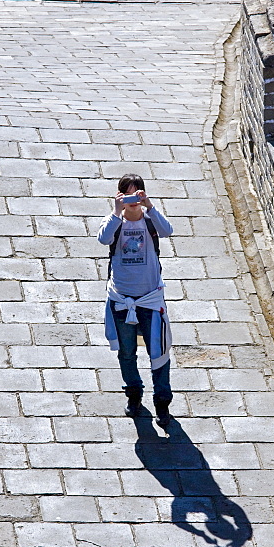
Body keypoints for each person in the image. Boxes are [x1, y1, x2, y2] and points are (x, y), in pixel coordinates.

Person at [98, 174, 174, 428]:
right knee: (127, 353)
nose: (133, 200)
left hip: (151, 298)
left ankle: (162, 402)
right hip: (121, 298)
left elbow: (168, 231)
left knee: (159, 353)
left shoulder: (150, 222)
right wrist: (115, 211)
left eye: (137, 194)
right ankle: (134, 395)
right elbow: (103, 238)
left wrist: (150, 206)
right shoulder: (115, 222)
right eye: (128, 195)